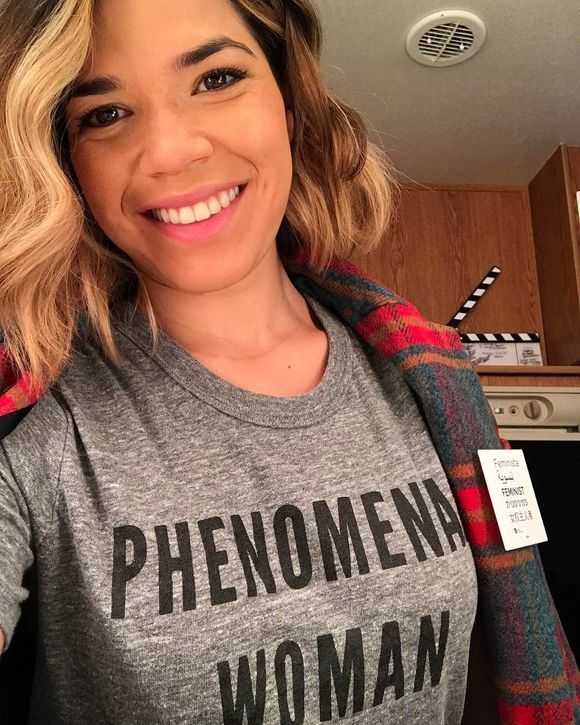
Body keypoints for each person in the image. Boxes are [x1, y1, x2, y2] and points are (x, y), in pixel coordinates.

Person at [0, 0, 577, 723]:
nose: (170, 150)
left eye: (216, 78)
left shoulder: (431, 377)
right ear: (66, 163)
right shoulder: (38, 417)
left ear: (289, 106)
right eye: (106, 114)